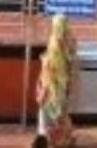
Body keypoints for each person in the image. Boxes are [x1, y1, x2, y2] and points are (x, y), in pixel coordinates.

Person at [36, 15, 76, 147]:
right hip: (63, 84)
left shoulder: (54, 43)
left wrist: (44, 87)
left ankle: (51, 139)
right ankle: (66, 139)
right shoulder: (70, 42)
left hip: (52, 85)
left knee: (48, 111)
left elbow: (50, 69)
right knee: (61, 112)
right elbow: (70, 63)